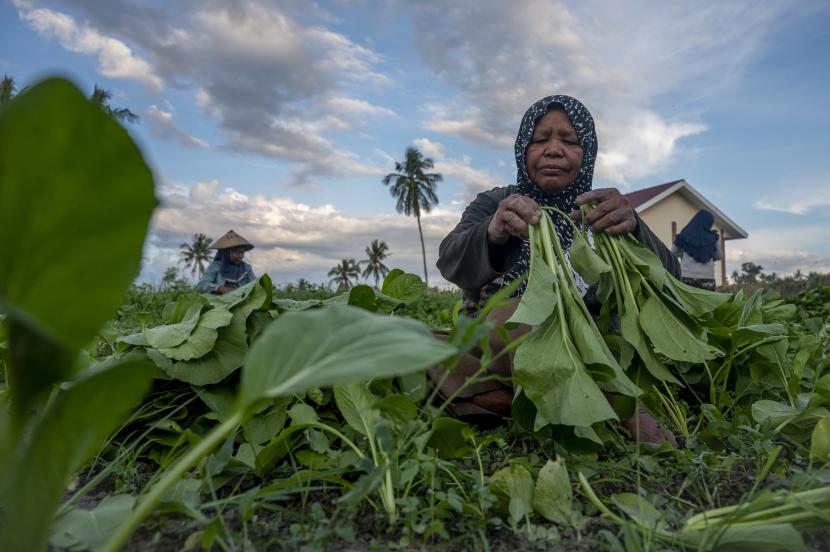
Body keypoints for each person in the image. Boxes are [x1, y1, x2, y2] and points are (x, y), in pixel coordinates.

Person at [434, 94, 680, 445]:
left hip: (593, 347)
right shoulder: (493, 203)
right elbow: (450, 261)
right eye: (539, 140)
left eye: (569, 140)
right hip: (497, 347)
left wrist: (636, 227)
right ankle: (590, 397)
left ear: (587, 153)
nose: (553, 150)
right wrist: (494, 230)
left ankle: (521, 398)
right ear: (523, 149)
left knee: (565, 331)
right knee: (417, 341)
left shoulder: (603, 212)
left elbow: (670, 277)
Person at [672, 210, 722, 291]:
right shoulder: (713, 237)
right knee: (707, 303)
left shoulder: (685, 234)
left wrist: (682, 255)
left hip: (685, 277)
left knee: (685, 303)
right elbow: (719, 255)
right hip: (707, 278)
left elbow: (673, 252)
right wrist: (709, 256)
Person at [197, 230, 257, 294]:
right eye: (237, 252)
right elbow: (202, 285)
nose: (241, 256)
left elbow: (255, 285)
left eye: (242, 252)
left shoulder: (246, 268)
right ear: (226, 252)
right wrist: (220, 288)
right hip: (218, 302)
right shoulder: (215, 266)